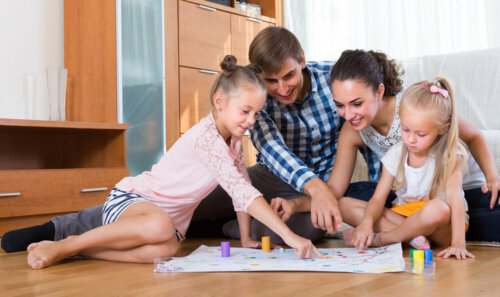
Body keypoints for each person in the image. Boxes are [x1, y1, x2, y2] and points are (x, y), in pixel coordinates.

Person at [24, 56, 323, 269]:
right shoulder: (206, 138)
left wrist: (246, 237)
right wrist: (290, 236)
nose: (251, 121)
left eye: (256, 113)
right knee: (159, 225)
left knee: (166, 249)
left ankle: (83, 252)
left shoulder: (233, 140)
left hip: (167, 226)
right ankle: (67, 244)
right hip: (135, 202)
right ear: (219, 102)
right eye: (245, 111)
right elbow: (243, 192)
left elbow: (241, 187)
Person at [270, 49, 500, 243]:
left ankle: (407, 233)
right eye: (340, 105)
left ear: (379, 91)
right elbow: (334, 191)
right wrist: (294, 204)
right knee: (347, 200)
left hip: (460, 193)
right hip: (410, 199)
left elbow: (474, 136)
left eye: (357, 103)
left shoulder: (417, 107)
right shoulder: (352, 131)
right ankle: (412, 234)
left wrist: (492, 177)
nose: (348, 114)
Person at [341, 78, 475, 259]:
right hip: (405, 217)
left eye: (421, 134)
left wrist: (459, 244)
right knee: (343, 204)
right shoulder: (396, 153)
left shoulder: (450, 155)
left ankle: (384, 239)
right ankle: (413, 238)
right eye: (405, 129)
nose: (411, 139)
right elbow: (378, 198)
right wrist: (366, 222)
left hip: (441, 226)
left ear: (442, 129)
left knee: (439, 209)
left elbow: (455, 200)